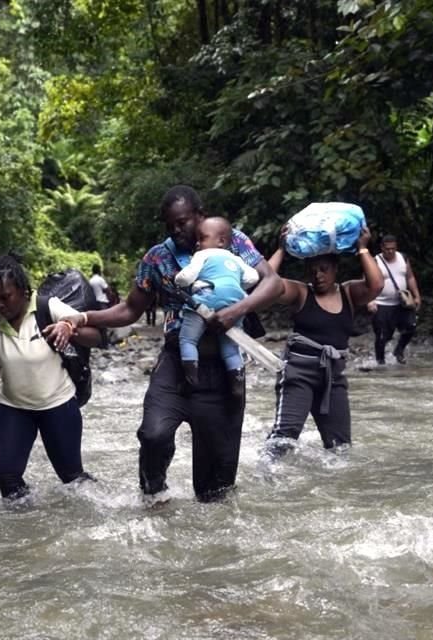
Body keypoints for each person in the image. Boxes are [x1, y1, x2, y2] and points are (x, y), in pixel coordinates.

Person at [53, 185, 283, 503]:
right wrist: (83, 317)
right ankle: (155, 494)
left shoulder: (230, 239)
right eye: (170, 225)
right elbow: (130, 310)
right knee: (153, 434)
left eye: (183, 222)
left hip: (222, 367)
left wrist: (236, 311)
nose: (177, 230)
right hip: (177, 361)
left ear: (200, 215)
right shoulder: (158, 257)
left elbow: (273, 283)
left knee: (214, 490)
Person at [0, 254, 102, 500]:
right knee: (8, 479)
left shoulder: (49, 307)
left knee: (71, 477)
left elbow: (97, 336)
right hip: (14, 408)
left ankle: (102, 503)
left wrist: (69, 329)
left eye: (6, 297)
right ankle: (26, 530)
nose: (0, 305)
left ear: (24, 292)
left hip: (58, 405)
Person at [263, 225, 383, 457]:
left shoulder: (348, 293)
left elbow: (376, 285)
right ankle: (266, 476)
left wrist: (362, 249)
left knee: (340, 448)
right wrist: (281, 249)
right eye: (312, 270)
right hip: (298, 374)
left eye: (324, 269)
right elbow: (266, 284)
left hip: (333, 377)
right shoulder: (300, 293)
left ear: (335, 269)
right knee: (283, 439)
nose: (318, 275)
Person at [175, 216, 259, 398]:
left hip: (207, 297)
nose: (197, 243)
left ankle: (191, 378)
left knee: (188, 340)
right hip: (235, 302)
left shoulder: (202, 255)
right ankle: (237, 384)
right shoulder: (235, 258)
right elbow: (253, 277)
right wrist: (235, 285)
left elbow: (186, 277)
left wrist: (178, 281)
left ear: (221, 241)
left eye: (202, 238)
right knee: (230, 348)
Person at [367, 234, 422, 365]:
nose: (390, 251)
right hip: (381, 304)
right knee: (382, 336)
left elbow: (410, 277)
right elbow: (367, 282)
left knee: (411, 326)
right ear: (382, 248)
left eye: (393, 248)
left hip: (401, 304)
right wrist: (370, 300)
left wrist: (417, 296)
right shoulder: (375, 261)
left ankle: (399, 350)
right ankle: (380, 362)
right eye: (387, 249)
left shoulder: (403, 258)